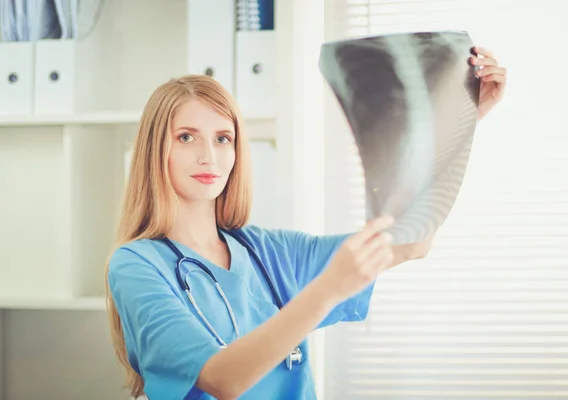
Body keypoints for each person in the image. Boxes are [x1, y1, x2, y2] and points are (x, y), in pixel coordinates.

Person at [104, 46, 506, 400]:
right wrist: (328, 289)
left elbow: (412, 240)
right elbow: (223, 380)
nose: (209, 155)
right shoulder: (136, 265)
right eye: (187, 137)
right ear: (157, 149)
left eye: (223, 138)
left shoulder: (268, 251)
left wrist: (463, 122)